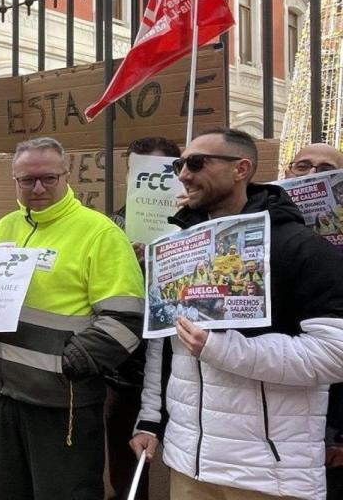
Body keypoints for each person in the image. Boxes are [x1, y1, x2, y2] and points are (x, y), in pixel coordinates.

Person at [131, 129, 343, 500]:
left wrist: (222, 349)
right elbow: (161, 345)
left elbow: (334, 354)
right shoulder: (179, 245)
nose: (184, 174)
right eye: (180, 165)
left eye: (197, 163)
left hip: (267, 476)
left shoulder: (302, 248)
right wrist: (150, 419)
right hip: (188, 466)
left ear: (241, 169)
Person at [0, 137, 144, 500]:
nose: (38, 188)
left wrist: (70, 362)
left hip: (61, 402)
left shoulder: (100, 233)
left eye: (48, 178)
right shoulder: (2, 228)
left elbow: (126, 319)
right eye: (27, 180)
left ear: (66, 175)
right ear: (15, 180)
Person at [107, 137, 181, 500]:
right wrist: (131, 266)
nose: (149, 180)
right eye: (139, 170)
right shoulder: (113, 226)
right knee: (129, 470)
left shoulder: (198, 222)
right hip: (128, 370)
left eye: (160, 171)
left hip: (185, 363)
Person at [283, 142, 343, 500]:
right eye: (303, 166)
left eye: (326, 170)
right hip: (283, 405)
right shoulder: (265, 225)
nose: (312, 174)